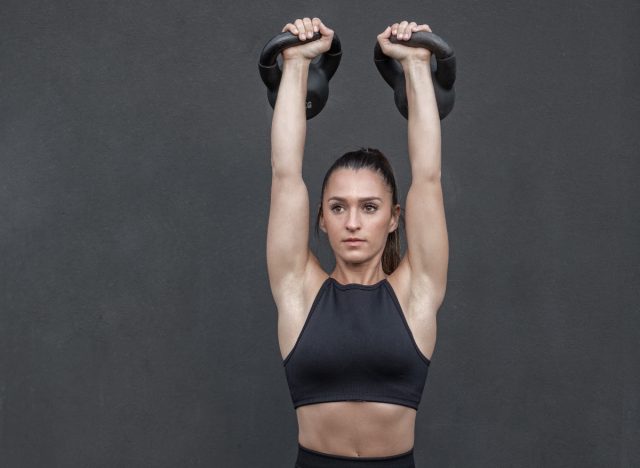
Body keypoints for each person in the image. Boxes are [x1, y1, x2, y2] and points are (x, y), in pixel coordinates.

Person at [267, 16, 448, 468]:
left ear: (393, 219)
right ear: (322, 221)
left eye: (369, 207)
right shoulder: (298, 292)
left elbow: (427, 177)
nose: (352, 222)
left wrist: (417, 65)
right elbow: (286, 174)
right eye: (337, 207)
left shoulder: (416, 293)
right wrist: (295, 63)